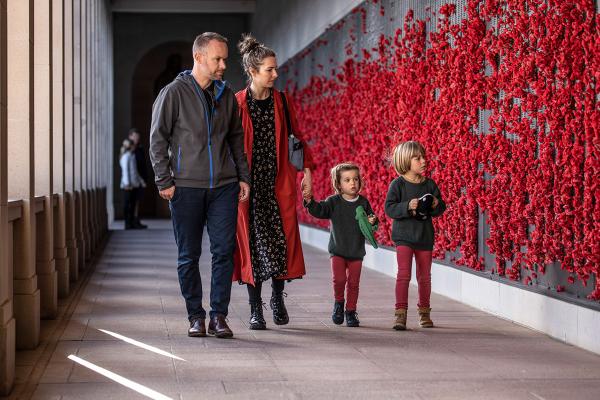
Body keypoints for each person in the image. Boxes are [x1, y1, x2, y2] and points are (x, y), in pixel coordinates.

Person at [149, 32, 251, 339]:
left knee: (223, 252)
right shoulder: (173, 93)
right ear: (199, 57)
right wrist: (164, 180)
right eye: (217, 59)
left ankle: (219, 316)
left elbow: (236, 139)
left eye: (224, 59)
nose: (223, 65)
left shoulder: (226, 95)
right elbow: (157, 139)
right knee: (188, 255)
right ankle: (196, 315)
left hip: (224, 186)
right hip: (186, 188)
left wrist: (242, 176)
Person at [233, 34, 315, 330]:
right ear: (253, 72)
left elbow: (297, 139)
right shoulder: (238, 103)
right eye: (269, 69)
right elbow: (229, 146)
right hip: (248, 189)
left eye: (275, 68)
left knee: (282, 244)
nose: (275, 74)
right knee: (253, 248)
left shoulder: (282, 100)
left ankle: (278, 298)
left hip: (278, 186)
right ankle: (256, 309)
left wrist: (307, 171)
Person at [302, 163, 378, 327]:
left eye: (355, 179)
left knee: (354, 283)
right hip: (337, 250)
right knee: (339, 280)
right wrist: (309, 201)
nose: (352, 183)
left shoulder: (363, 203)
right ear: (338, 184)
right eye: (347, 180)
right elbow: (319, 210)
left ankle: (350, 311)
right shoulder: (333, 202)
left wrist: (373, 220)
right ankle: (338, 304)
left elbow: (371, 220)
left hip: (356, 251)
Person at [384, 141, 446, 330]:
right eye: (417, 158)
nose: (423, 161)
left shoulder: (430, 184)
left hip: (425, 238)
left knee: (424, 277)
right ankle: (400, 315)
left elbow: (441, 208)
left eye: (423, 157)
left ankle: (424, 314)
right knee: (403, 275)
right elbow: (389, 208)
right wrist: (406, 206)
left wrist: (436, 204)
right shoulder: (398, 184)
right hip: (403, 238)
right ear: (405, 161)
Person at [119, 138, 145, 229]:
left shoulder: (132, 156)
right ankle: (127, 223)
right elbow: (125, 172)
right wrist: (127, 184)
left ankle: (132, 222)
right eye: (133, 145)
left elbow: (135, 172)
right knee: (128, 205)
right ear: (131, 146)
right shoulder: (126, 156)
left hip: (134, 185)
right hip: (128, 186)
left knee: (133, 205)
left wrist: (141, 181)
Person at [128, 128, 148, 229]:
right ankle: (130, 222)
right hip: (131, 180)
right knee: (131, 202)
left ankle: (136, 220)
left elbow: (143, 164)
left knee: (137, 202)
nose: (136, 138)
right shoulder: (128, 149)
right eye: (135, 136)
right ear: (130, 136)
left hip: (140, 179)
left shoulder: (140, 148)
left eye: (138, 137)